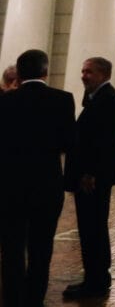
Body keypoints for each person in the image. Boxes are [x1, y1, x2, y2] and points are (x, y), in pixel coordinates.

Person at [0, 49, 75, 307]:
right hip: (46, 185)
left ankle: (12, 299)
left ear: (19, 74)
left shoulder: (5, 101)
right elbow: (68, 143)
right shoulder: (63, 100)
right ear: (46, 72)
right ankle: (34, 299)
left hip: (10, 186)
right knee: (41, 248)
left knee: (11, 248)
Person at [64, 57, 115, 300]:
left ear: (103, 74)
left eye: (89, 72)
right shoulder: (99, 97)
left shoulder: (106, 99)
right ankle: (96, 276)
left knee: (92, 228)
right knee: (93, 227)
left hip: (93, 178)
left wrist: (90, 173)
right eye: (83, 71)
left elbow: (101, 142)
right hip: (96, 175)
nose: (83, 76)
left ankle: (95, 282)